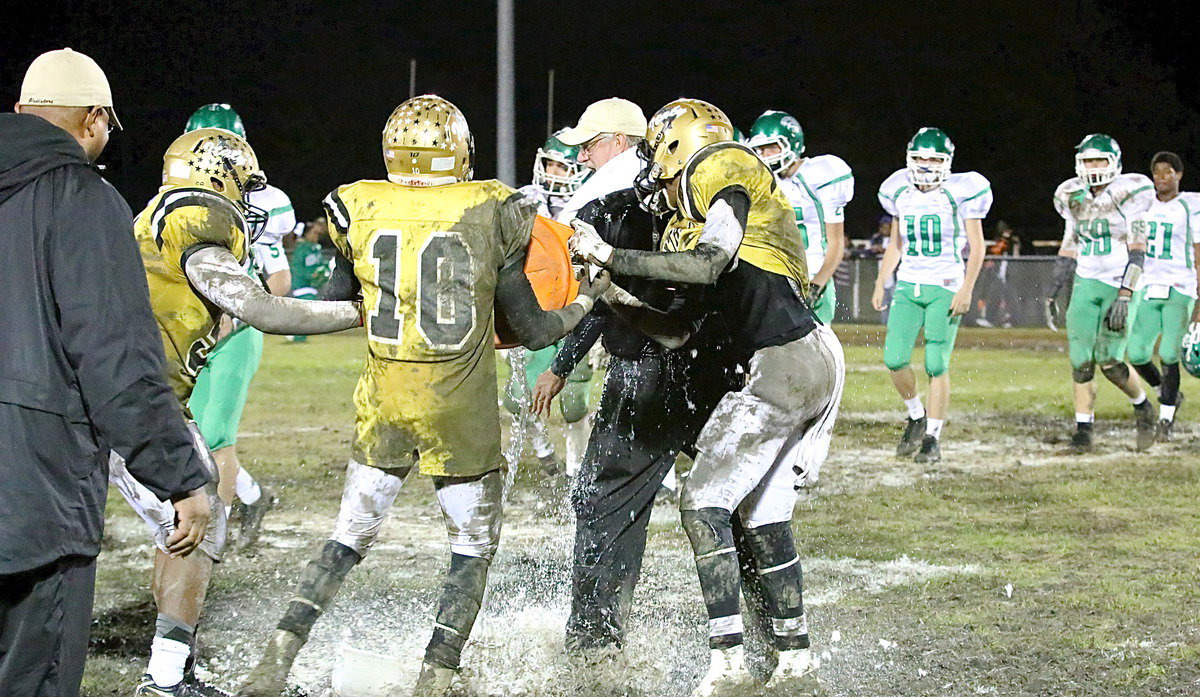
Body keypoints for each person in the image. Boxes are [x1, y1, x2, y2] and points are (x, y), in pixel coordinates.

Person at [238, 95, 609, 697]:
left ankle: (280, 651)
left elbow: (344, 303)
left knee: (347, 537)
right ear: (458, 150)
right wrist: (589, 298)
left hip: (385, 399)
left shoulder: (357, 204)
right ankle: (436, 673)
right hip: (458, 406)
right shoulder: (492, 207)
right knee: (471, 548)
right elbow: (536, 329)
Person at [571, 98, 845, 695]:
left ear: (678, 145)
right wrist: (608, 291)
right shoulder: (686, 218)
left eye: (656, 156)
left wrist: (611, 253)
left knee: (701, 501)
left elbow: (713, 259)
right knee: (763, 514)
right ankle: (796, 659)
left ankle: (727, 664)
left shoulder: (719, 164)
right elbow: (677, 331)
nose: (653, 177)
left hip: (784, 358)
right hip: (800, 358)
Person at [114, 126, 363, 696]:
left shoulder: (160, 217)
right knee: (200, 514)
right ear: (217, 177)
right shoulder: (197, 221)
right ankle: (166, 677)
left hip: (126, 396)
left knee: (179, 524)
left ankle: (171, 666)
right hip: (139, 404)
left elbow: (226, 315)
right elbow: (259, 307)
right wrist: (358, 312)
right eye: (242, 187)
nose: (247, 204)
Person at [0, 48, 212, 697]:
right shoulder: (82, 200)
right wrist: (181, 477)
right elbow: (117, 361)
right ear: (94, 119)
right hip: (33, 500)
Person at [183, 104, 294, 553]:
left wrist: (263, 308)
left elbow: (278, 274)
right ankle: (251, 496)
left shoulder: (264, 199)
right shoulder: (177, 195)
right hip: (191, 326)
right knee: (189, 430)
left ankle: (215, 536)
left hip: (235, 329)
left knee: (214, 436)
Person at [872, 128, 992, 463]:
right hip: (909, 285)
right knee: (895, 359)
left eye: (934, 159)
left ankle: (932, 438)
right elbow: (897, 243)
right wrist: (882, 279)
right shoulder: (898, 190)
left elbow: (978, 246)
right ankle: (915, 414)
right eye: (920, 158)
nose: (925, 166)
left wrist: (967, 287)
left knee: (935, 363)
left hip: (945, 284)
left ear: (947, 162)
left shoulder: (960, 193)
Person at [1046, 134, 1155, 452]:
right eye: (1088, 161)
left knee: (1109, 360)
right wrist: (1052, 290)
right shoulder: (1072, 196)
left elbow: (1138, 252)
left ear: (1115, 165)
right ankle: (1083, 430)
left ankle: (1142, 406)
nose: (1093, 167)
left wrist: (1125, 294)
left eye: (1100, 161)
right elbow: (1069, 245)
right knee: (1080, 359)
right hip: (1086, 281)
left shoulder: (1129, 195)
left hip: (1119, 281)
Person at [746, 110, 854, 323]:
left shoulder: (821, 176)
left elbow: (836, 243)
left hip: (813, 276)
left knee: (814, 354)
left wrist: (816, 286)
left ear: (792, 144)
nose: (766, 155)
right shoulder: (763, 183)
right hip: (776, 279)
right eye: (761, 149)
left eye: (772, 147)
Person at [1127, 152, 1200, 439]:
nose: (1161, 178)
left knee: (1170, 353)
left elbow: (1198, 255)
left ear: (1179, 175)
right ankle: (1167, 392)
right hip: (1149, 285)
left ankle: (1166, 419)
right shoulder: (1144, 205)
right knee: (1137, 352)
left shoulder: (1190, 205)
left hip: (1180, 287)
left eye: (1168, 172)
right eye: (1156, 172)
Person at [554, 97, 648, 224]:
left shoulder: (605, 188)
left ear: (618, 142)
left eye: (587, 147)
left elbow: (560, 237)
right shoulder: (659, 178)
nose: (581, 158)